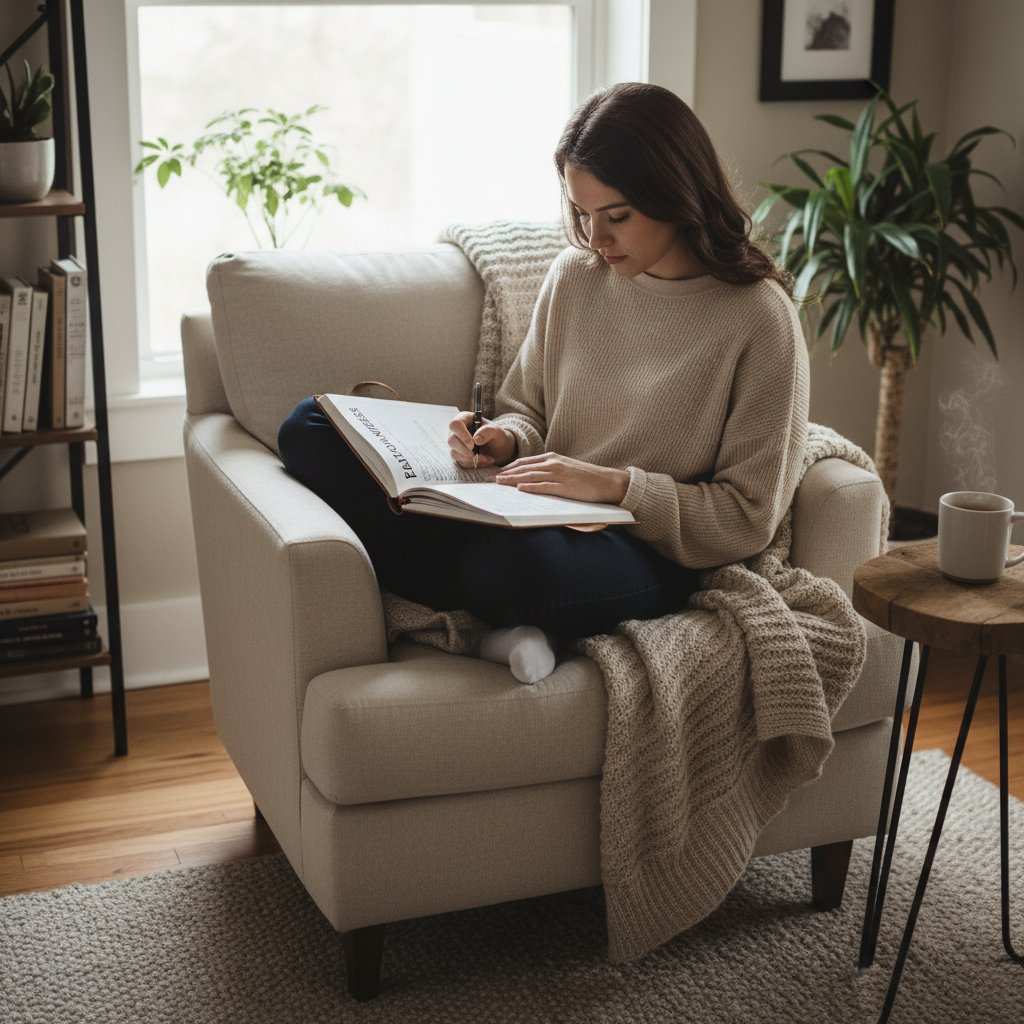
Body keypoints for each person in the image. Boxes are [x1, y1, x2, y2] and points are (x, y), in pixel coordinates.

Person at [278, 82, 809, 683]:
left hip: (642, 550)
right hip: (534, 515)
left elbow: (746, 518)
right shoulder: (575, 277)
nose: (596, 239)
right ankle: (504, 625)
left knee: (514, 569)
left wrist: (613, 486)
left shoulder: (759, 318)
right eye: (582, 214)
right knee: (309, 428)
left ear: (677, 193)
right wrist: (503, 440)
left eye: (617, 217)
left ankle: (490, 623)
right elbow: (525, 409)